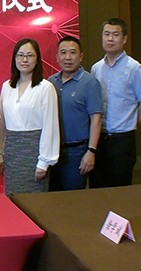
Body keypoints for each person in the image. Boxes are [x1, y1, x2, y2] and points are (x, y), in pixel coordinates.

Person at [0, 38, 59, 195]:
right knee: (12, 199)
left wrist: (44, 162)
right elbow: (1, 124)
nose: (24, 60)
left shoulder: (45, 88)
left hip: (34, 153)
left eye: (30, 55)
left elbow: (50, 127)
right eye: (20, 55)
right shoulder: (7, 86)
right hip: (12, 153)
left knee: (34, 201)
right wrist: (0, 154)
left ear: (37, 59)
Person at [90, 18, 141, 188]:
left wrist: (132, 126)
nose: (110, 39)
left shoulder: (134, 68)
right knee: (98, 188)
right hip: (100, 139)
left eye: (115, 34)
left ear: (125, 38)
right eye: (106, 34)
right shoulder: (96, 68)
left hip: (122, 140)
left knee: (120, 190)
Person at [48, 36, 102, 190]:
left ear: (81, 56)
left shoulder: (90, 82)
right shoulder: (51, 82)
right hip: (53, 151)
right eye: (63, 52)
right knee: (51, 198)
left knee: (73, 198)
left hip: (77, 152)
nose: (68, 57)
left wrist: (91, 151)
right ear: (57, 57)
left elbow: (96, 118)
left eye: (72, 52)